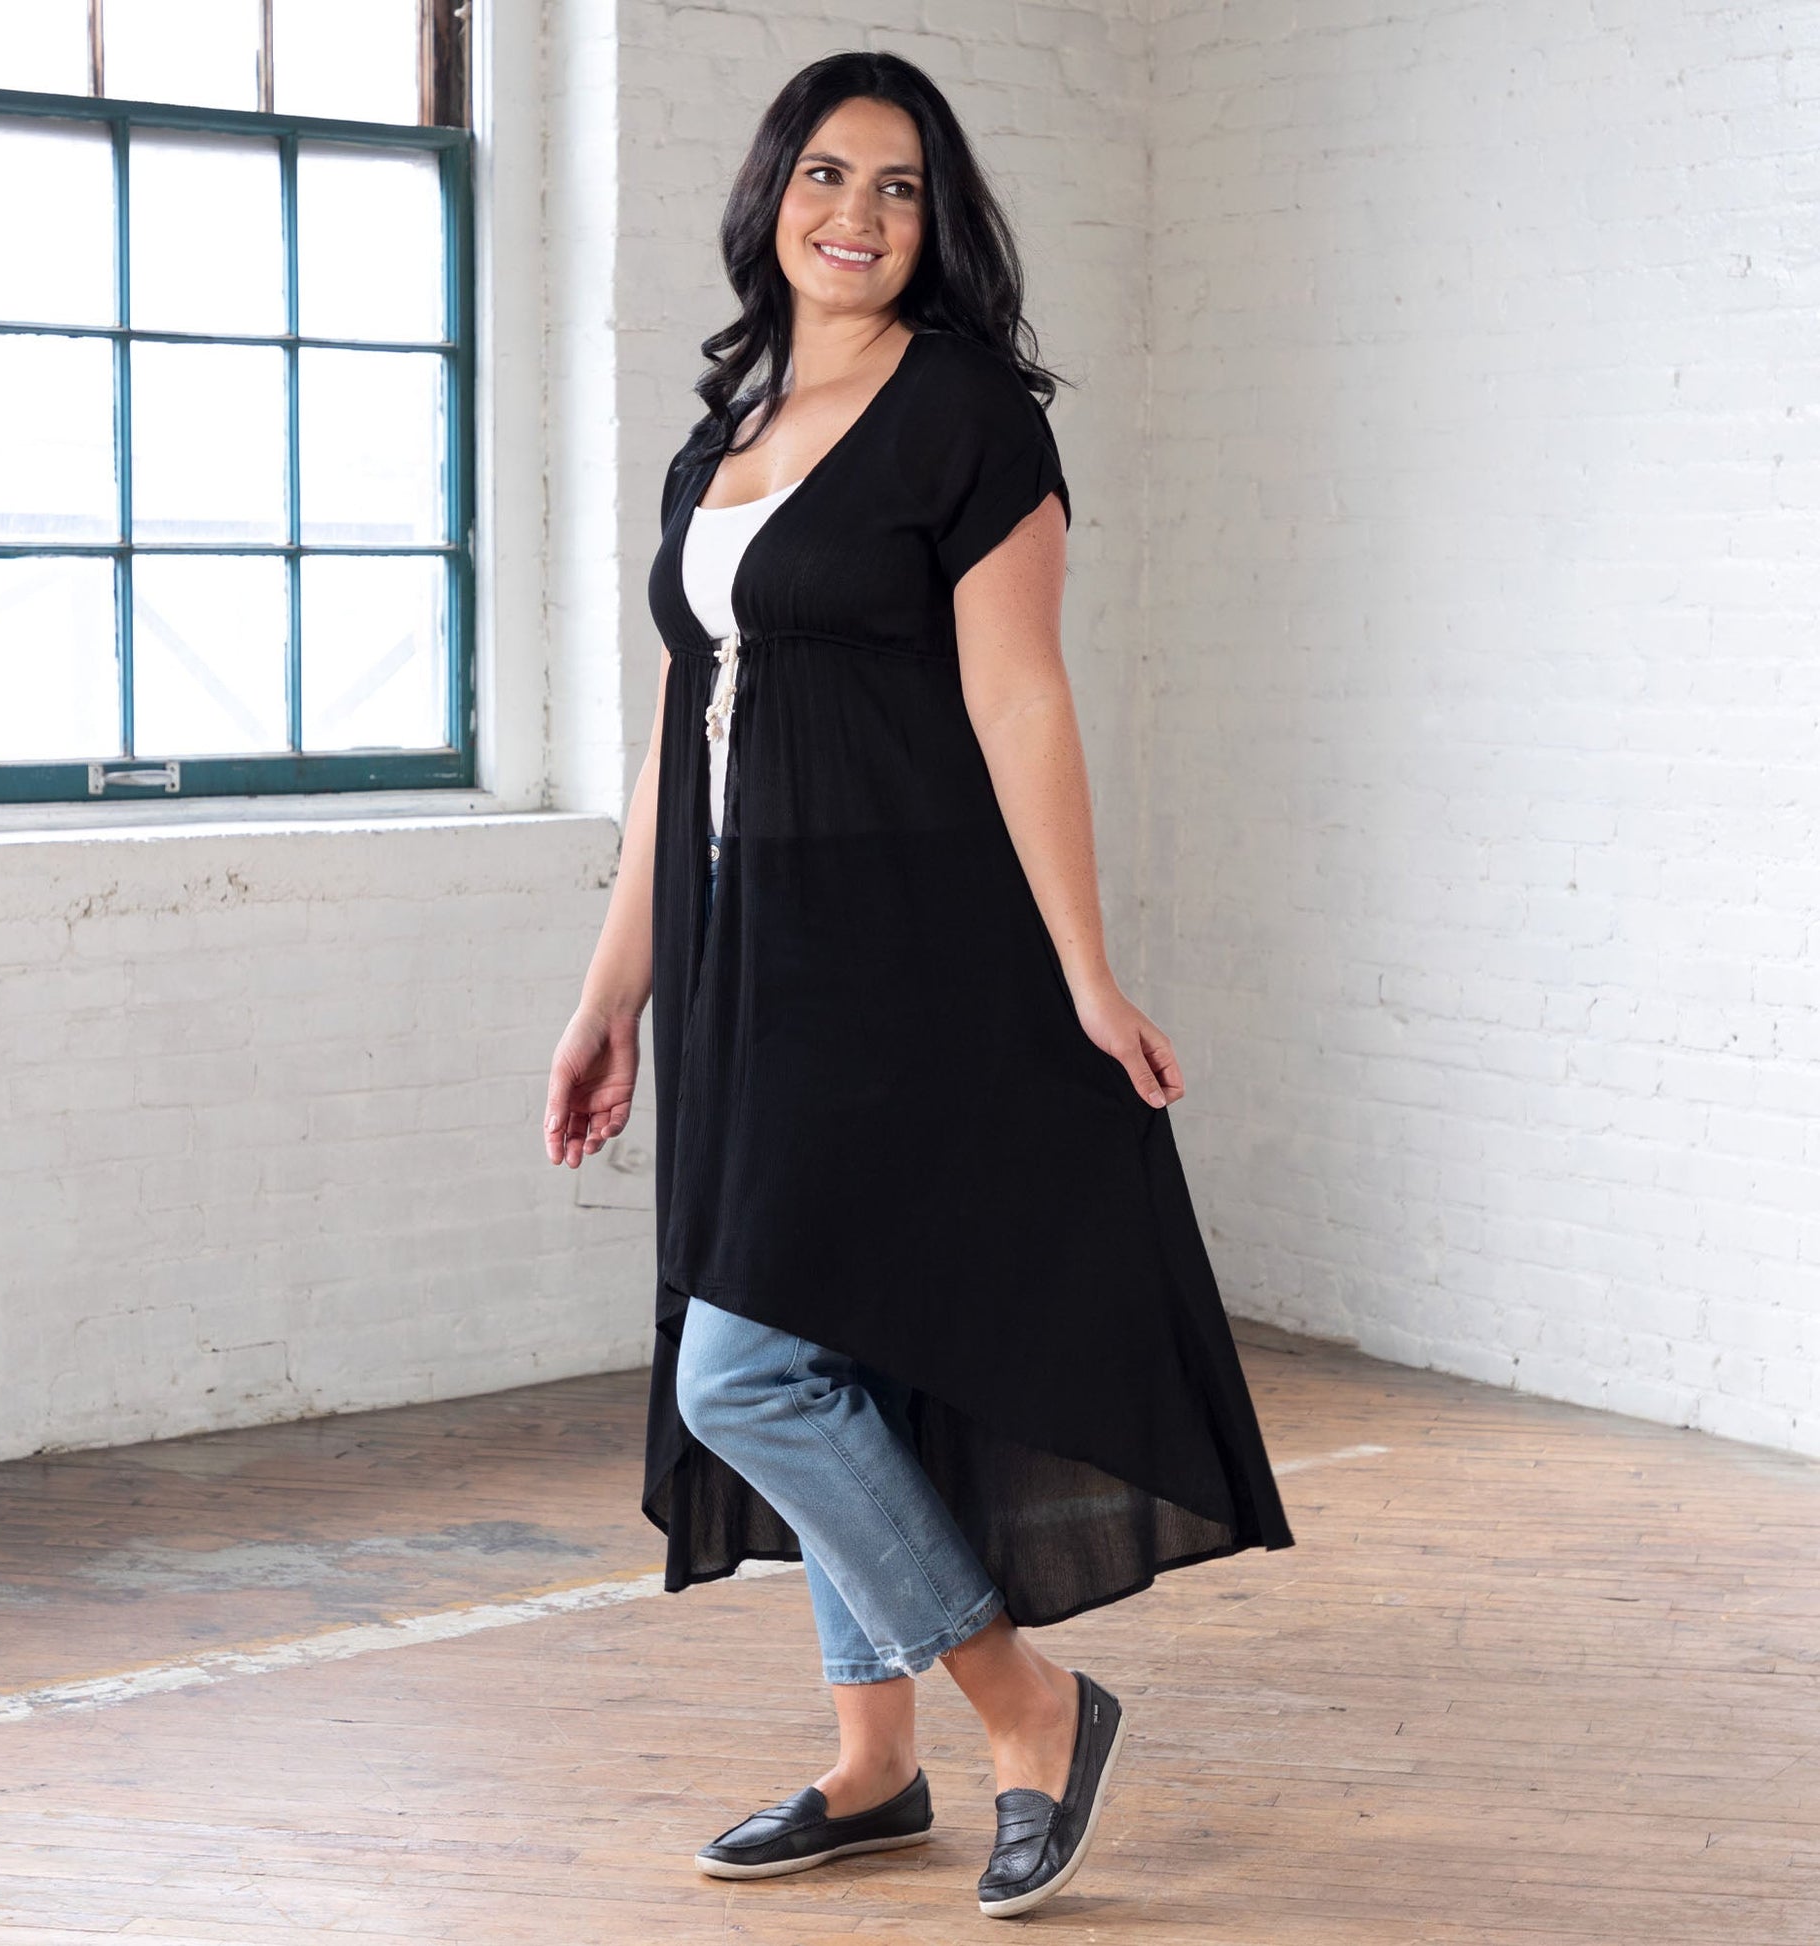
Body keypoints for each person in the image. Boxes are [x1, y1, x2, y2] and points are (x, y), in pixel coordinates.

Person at [544, 50, 1295, 1920]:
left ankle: (1025, 1703)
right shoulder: (720, 437)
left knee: (749, 1367)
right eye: (825, 174)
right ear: (769, 199)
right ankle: (871, 1763)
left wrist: (1085, 971)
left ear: (935, 219)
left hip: (900, 940)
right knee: (825, 1333)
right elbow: (674, 747)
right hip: (735, 951)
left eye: (896, 185)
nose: (856, 214)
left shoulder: (967, 414)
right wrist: (612, 992)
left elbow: (1019, 696)